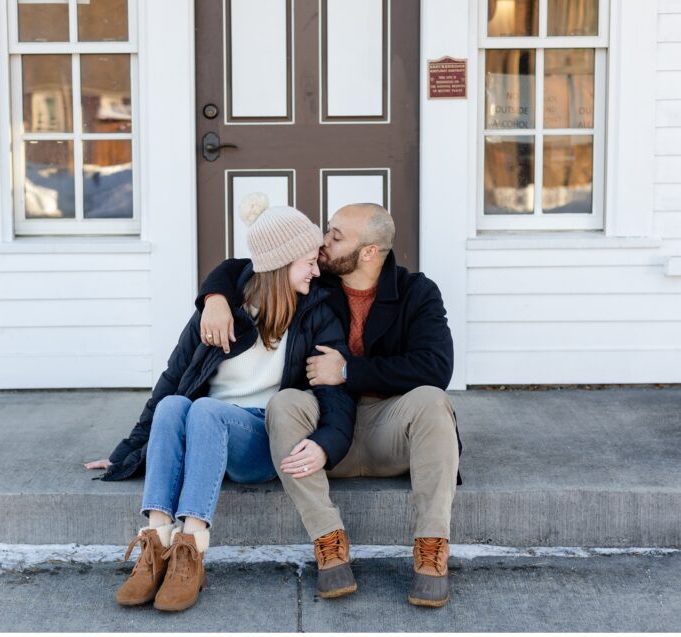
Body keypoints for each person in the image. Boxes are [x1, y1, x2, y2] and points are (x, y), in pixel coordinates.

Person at [85, 194, 355, 612]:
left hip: (260, 439)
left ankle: (191, 550)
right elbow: (171, 380)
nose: (316, 270)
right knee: (175, 404)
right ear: (281, 263)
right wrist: (128, 451)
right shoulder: (219, 311)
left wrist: (326, 443)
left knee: (206, 409)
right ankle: (156, 544)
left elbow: (334, 392)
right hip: (205, 433)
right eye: (307, 261)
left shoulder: (316, 312)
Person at [196, 202, 460, 608]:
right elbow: (246, 268)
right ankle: (329, 542)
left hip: (390, 429)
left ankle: (431, 549)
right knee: (284, 403)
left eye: (336, 236)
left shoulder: (416, 292)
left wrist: (349, 371)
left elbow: (436, 366)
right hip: (323, 425)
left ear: (369, 251)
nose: (323, 243)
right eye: (327, 231)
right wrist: (213, 295)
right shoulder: (318, 284)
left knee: (432, 399)